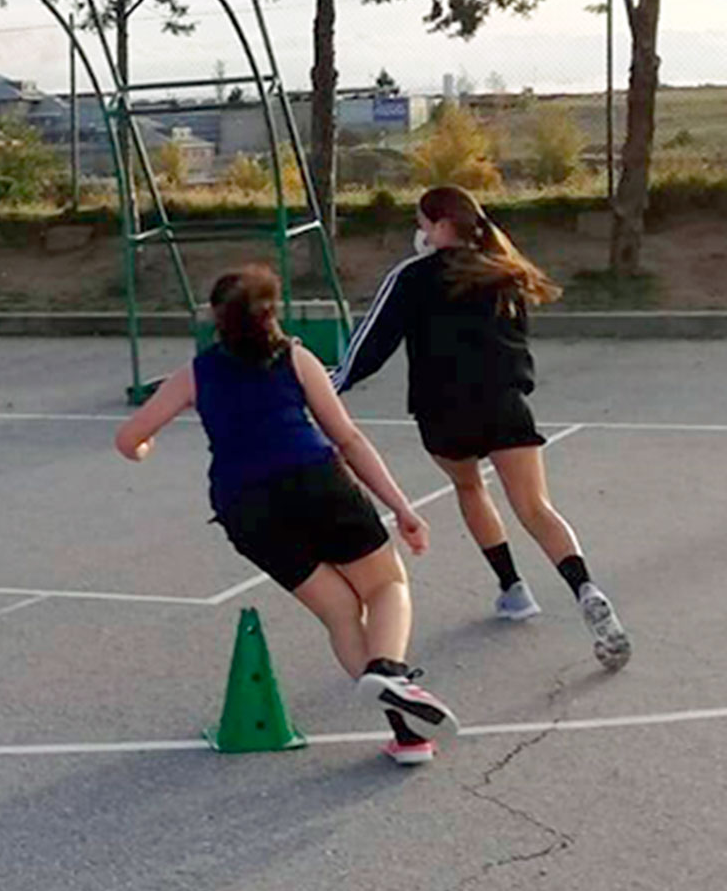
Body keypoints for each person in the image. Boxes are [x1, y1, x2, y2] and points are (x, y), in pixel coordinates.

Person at [118, 265, 459, 766]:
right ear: (273, 312)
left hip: (245, 506)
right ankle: (390, 670)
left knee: (340, 612)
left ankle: (407, 735)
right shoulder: (296, 358)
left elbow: (129, 439)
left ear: (215, 318)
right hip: (314, 481)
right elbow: (348, 438)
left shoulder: (195, 373)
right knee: (386, 585)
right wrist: (401, 508)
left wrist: (144, 449)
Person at [334, 185, 629, 671]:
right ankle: (585, 588)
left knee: (469, 487)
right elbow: (517, 340)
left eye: (422, 223)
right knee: (536, 508)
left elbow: (369, 348)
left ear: (439, 226)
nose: (419, 233)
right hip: (504, 403)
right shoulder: (503, 271)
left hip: (443, 412)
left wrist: (326, 384)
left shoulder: (412, 276)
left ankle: (513, 588)